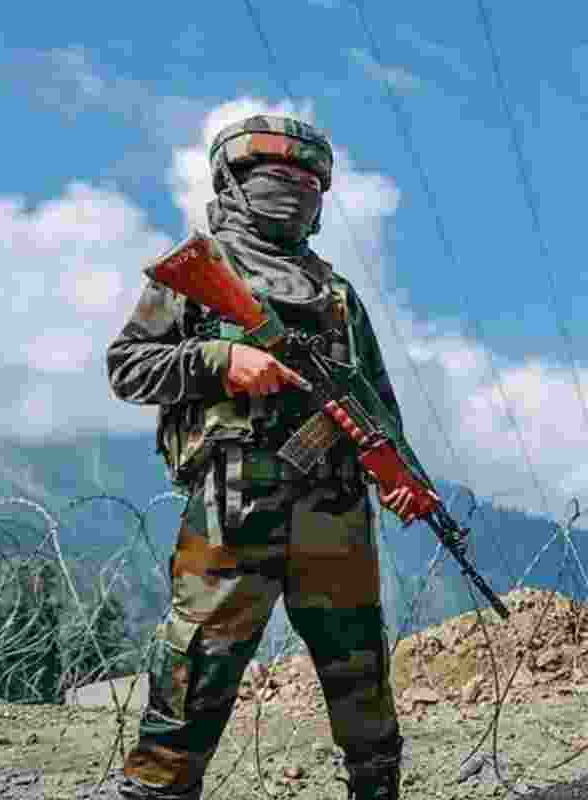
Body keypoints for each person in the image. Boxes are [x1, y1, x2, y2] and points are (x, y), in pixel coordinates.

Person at [106, 115, 416, 800]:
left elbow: (377, 403)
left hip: (334, 512)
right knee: (196, 671)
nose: (295, 190)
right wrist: (223, 359)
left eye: (309, 181)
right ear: (234, 182)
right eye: (278, 176)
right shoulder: (200, 272)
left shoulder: (337, 295)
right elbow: (128, 367)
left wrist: (397, 473)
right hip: (233, 509)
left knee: (360, 672)